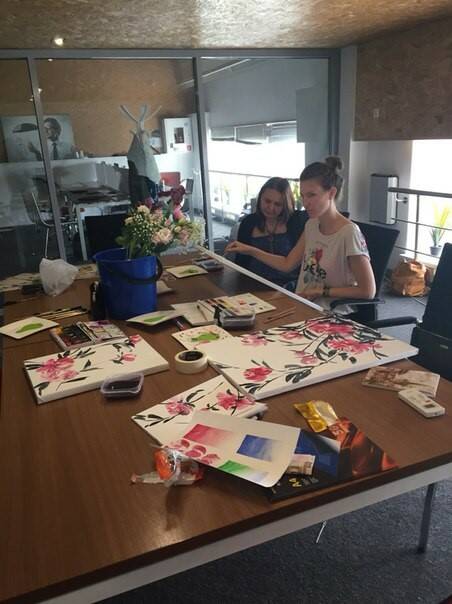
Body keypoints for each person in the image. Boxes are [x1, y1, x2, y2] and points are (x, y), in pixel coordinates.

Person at [225, 157, 376, 310]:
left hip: (330, 313)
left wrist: (322, 291)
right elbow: (287, 264)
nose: (305, 203)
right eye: (303, 196)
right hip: (303, 305)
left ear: (331, 193)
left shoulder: (349, 233)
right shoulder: (311, 225)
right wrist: (250, 250)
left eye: (311, 195)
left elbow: (368, 291)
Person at [231, 177, 308, 288]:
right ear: (260, 199)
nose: (271, 208)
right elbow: (240, 263)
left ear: (286, 205)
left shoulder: (298, 221)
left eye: (278, 204)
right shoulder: (248, 222)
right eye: (267, 201)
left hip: (289, 287)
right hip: (253, 283)